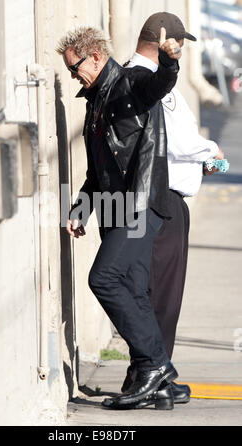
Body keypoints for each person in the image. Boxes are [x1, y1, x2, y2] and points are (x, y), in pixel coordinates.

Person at [57, 25, 184, 410]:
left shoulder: (132, 82)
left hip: (141, 204)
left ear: (95, 56)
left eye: (75, 67)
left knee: (103, 278)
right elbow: (96, 172)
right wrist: (79, 209)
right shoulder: (93, 101)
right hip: (116, 209)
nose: (73, 75)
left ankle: (155, 367)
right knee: (135, 290)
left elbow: (160, 84)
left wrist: (169, 61)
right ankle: (160, 380)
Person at [120, 12, 225, 405]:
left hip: (155, 198)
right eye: (179, 43)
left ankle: (152, 373)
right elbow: (179, 141)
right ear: (164, 40)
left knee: (151, 293)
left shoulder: (142, 79)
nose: (180, 51)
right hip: (162, 202)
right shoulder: (154, 83)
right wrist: (215, 154)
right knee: (160, 296)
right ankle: (152, 375)